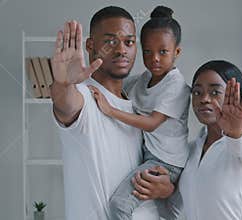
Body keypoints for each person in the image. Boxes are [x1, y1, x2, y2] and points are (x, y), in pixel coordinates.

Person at [50, 6, 174, 220]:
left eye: (129, 42)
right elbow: (65, 104)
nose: (121, 50)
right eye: (110, 41)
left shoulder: (139, 104)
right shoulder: (84, 95)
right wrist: (63, 83)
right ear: (90, 46)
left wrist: (167, 189)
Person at [88, 6, 190, 220]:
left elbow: (152, 123)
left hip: (166, 163)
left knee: (120, 206)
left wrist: (110, 110)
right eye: (147, 51)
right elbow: (115, 83)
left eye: (163, 52)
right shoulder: (142, 81)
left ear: (177, 52)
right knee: (163, 213)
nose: (154, 58)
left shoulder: (177, 86)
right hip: (148, 156)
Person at [132, 60, 242, 219]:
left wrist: (235, 133)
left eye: (215, 92)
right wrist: (167, 191)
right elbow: (174, 213)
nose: (204, 99)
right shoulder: (190, 151)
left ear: (235, 97)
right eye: (197, 92)